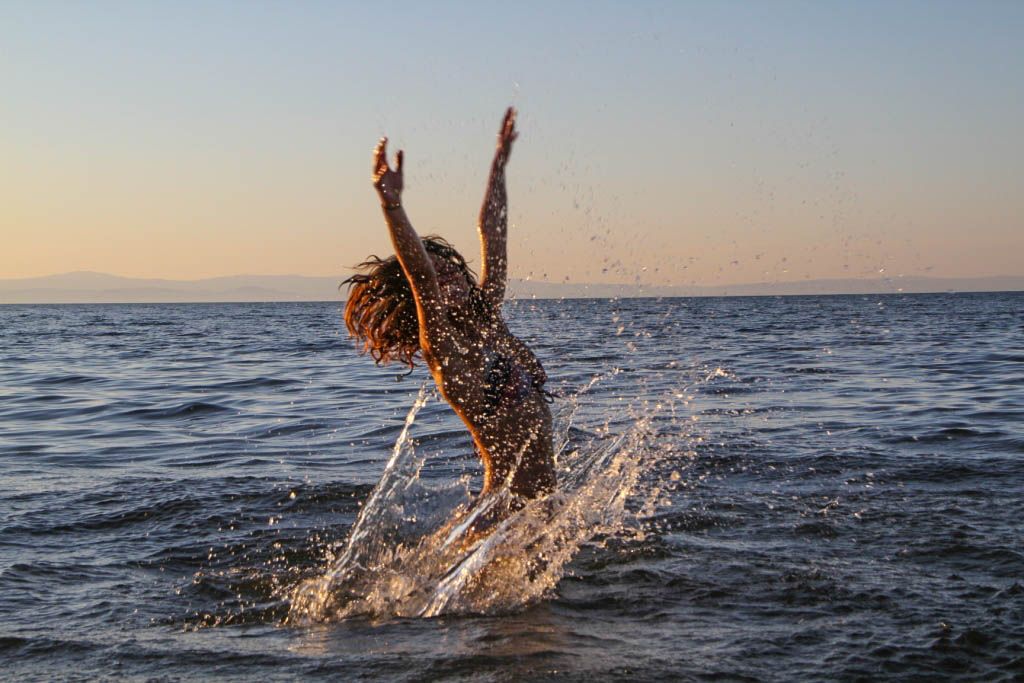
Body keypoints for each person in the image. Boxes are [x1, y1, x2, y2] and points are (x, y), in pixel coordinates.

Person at [343, 108, 556, 512]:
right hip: (505, 519)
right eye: (438, 277)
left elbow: (493, 230)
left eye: (451, 270)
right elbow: (420, 275)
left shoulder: (486, 316)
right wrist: (391, 204)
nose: (450, 278)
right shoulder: (443, 348)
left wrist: (499, 162)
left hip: (534, 513)